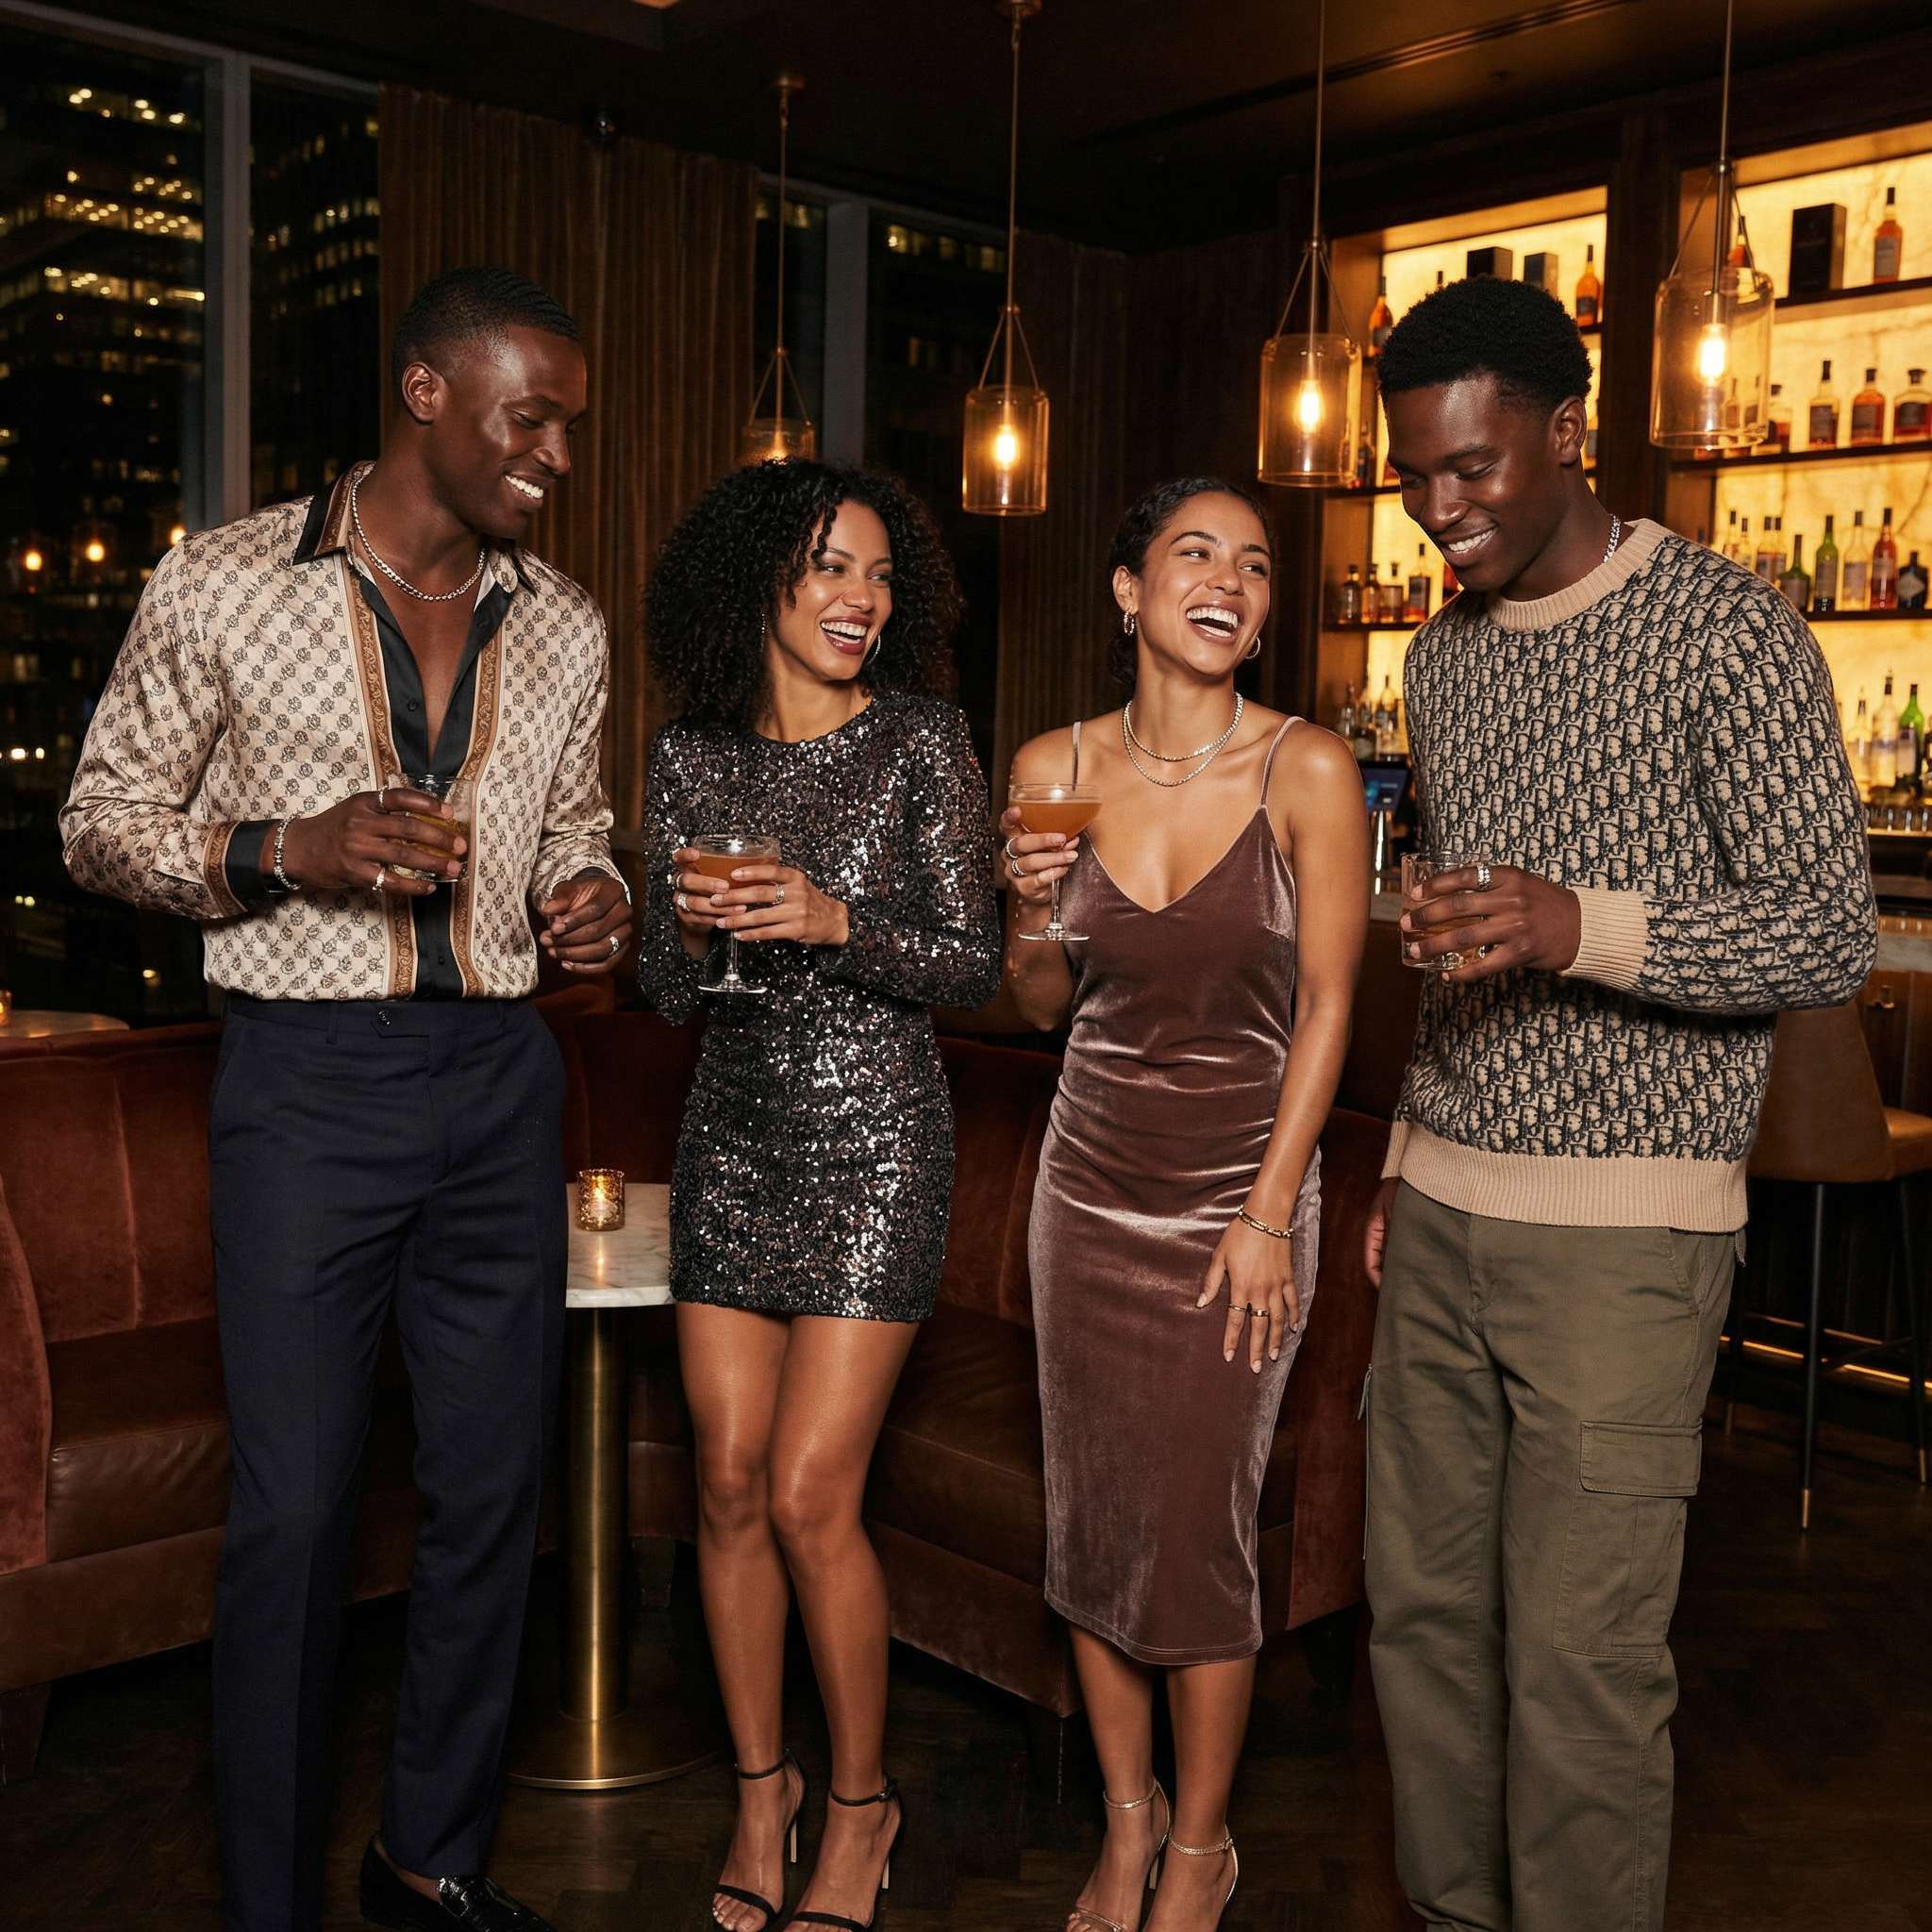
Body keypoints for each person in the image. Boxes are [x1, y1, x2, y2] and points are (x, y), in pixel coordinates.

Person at [59, 266, 634, 1932]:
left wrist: (594, 895)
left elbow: (577, 823)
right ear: (426, 394)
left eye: (570, 427)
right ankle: (268, 1900)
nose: (557, 456)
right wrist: (284, 848)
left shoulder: (568, 623)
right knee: (298, 1513)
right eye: (532, 419)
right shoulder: (225, 582)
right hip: (306, 1088)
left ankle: (429, 1861)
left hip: (504, 1083)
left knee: (494, 1497)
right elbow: (99, 822)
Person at [1361, 274, 1876, 1932]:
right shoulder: (1440, 658)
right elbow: (1468, 930)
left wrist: (1583, 924)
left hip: (1627, 1239)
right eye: (1415, 477)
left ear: (1569, 432)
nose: (1440, 509)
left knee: (1580, 1669)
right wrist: (1402, 1150)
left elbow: (1825, 929)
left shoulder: (1730, 627)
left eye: (1473, 467)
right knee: (1421, 1630)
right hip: (1440, 1209)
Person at [637, 458, 1000, 1932]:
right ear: (759, 584)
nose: (862, 599)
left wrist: (833, 917)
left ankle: (861, 1805)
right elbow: (667, 992)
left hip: (877, 1145)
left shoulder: (922, 740)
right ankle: (760, 1790)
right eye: (831, 567)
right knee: (725, 1484)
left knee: (806, 1493)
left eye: (880, 574)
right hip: (731, 1138)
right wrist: (688, 930)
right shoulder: (687, 757)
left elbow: (974, 965)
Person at [1002, 477, 1368, 1932]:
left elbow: (1331, 1007)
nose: (1229, 582)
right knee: (1092, 1520)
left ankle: (1203, 1849)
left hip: (1241, 1200)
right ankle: (1127, 1821)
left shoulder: (1307, 769)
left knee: (1204, 1529)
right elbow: (1042, 1003)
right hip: (1086, 1192)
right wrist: (1027, 904)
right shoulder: (1052, 762)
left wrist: (1271, 1212)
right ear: (1128, 589)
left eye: (1255, 566)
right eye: (1194, 554)